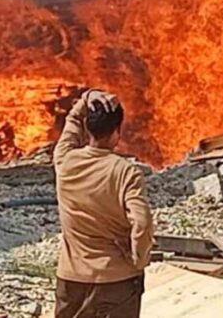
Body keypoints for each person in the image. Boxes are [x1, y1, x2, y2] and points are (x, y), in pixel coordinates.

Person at [53, 89, 154, 318]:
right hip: (117, 281)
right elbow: (142, 221)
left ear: (88, 128)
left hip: (71, 280)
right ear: (117, 132)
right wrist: (139, 260)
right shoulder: (126, 172)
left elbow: (71, 123)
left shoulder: (65, 160)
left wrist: (87, 98)